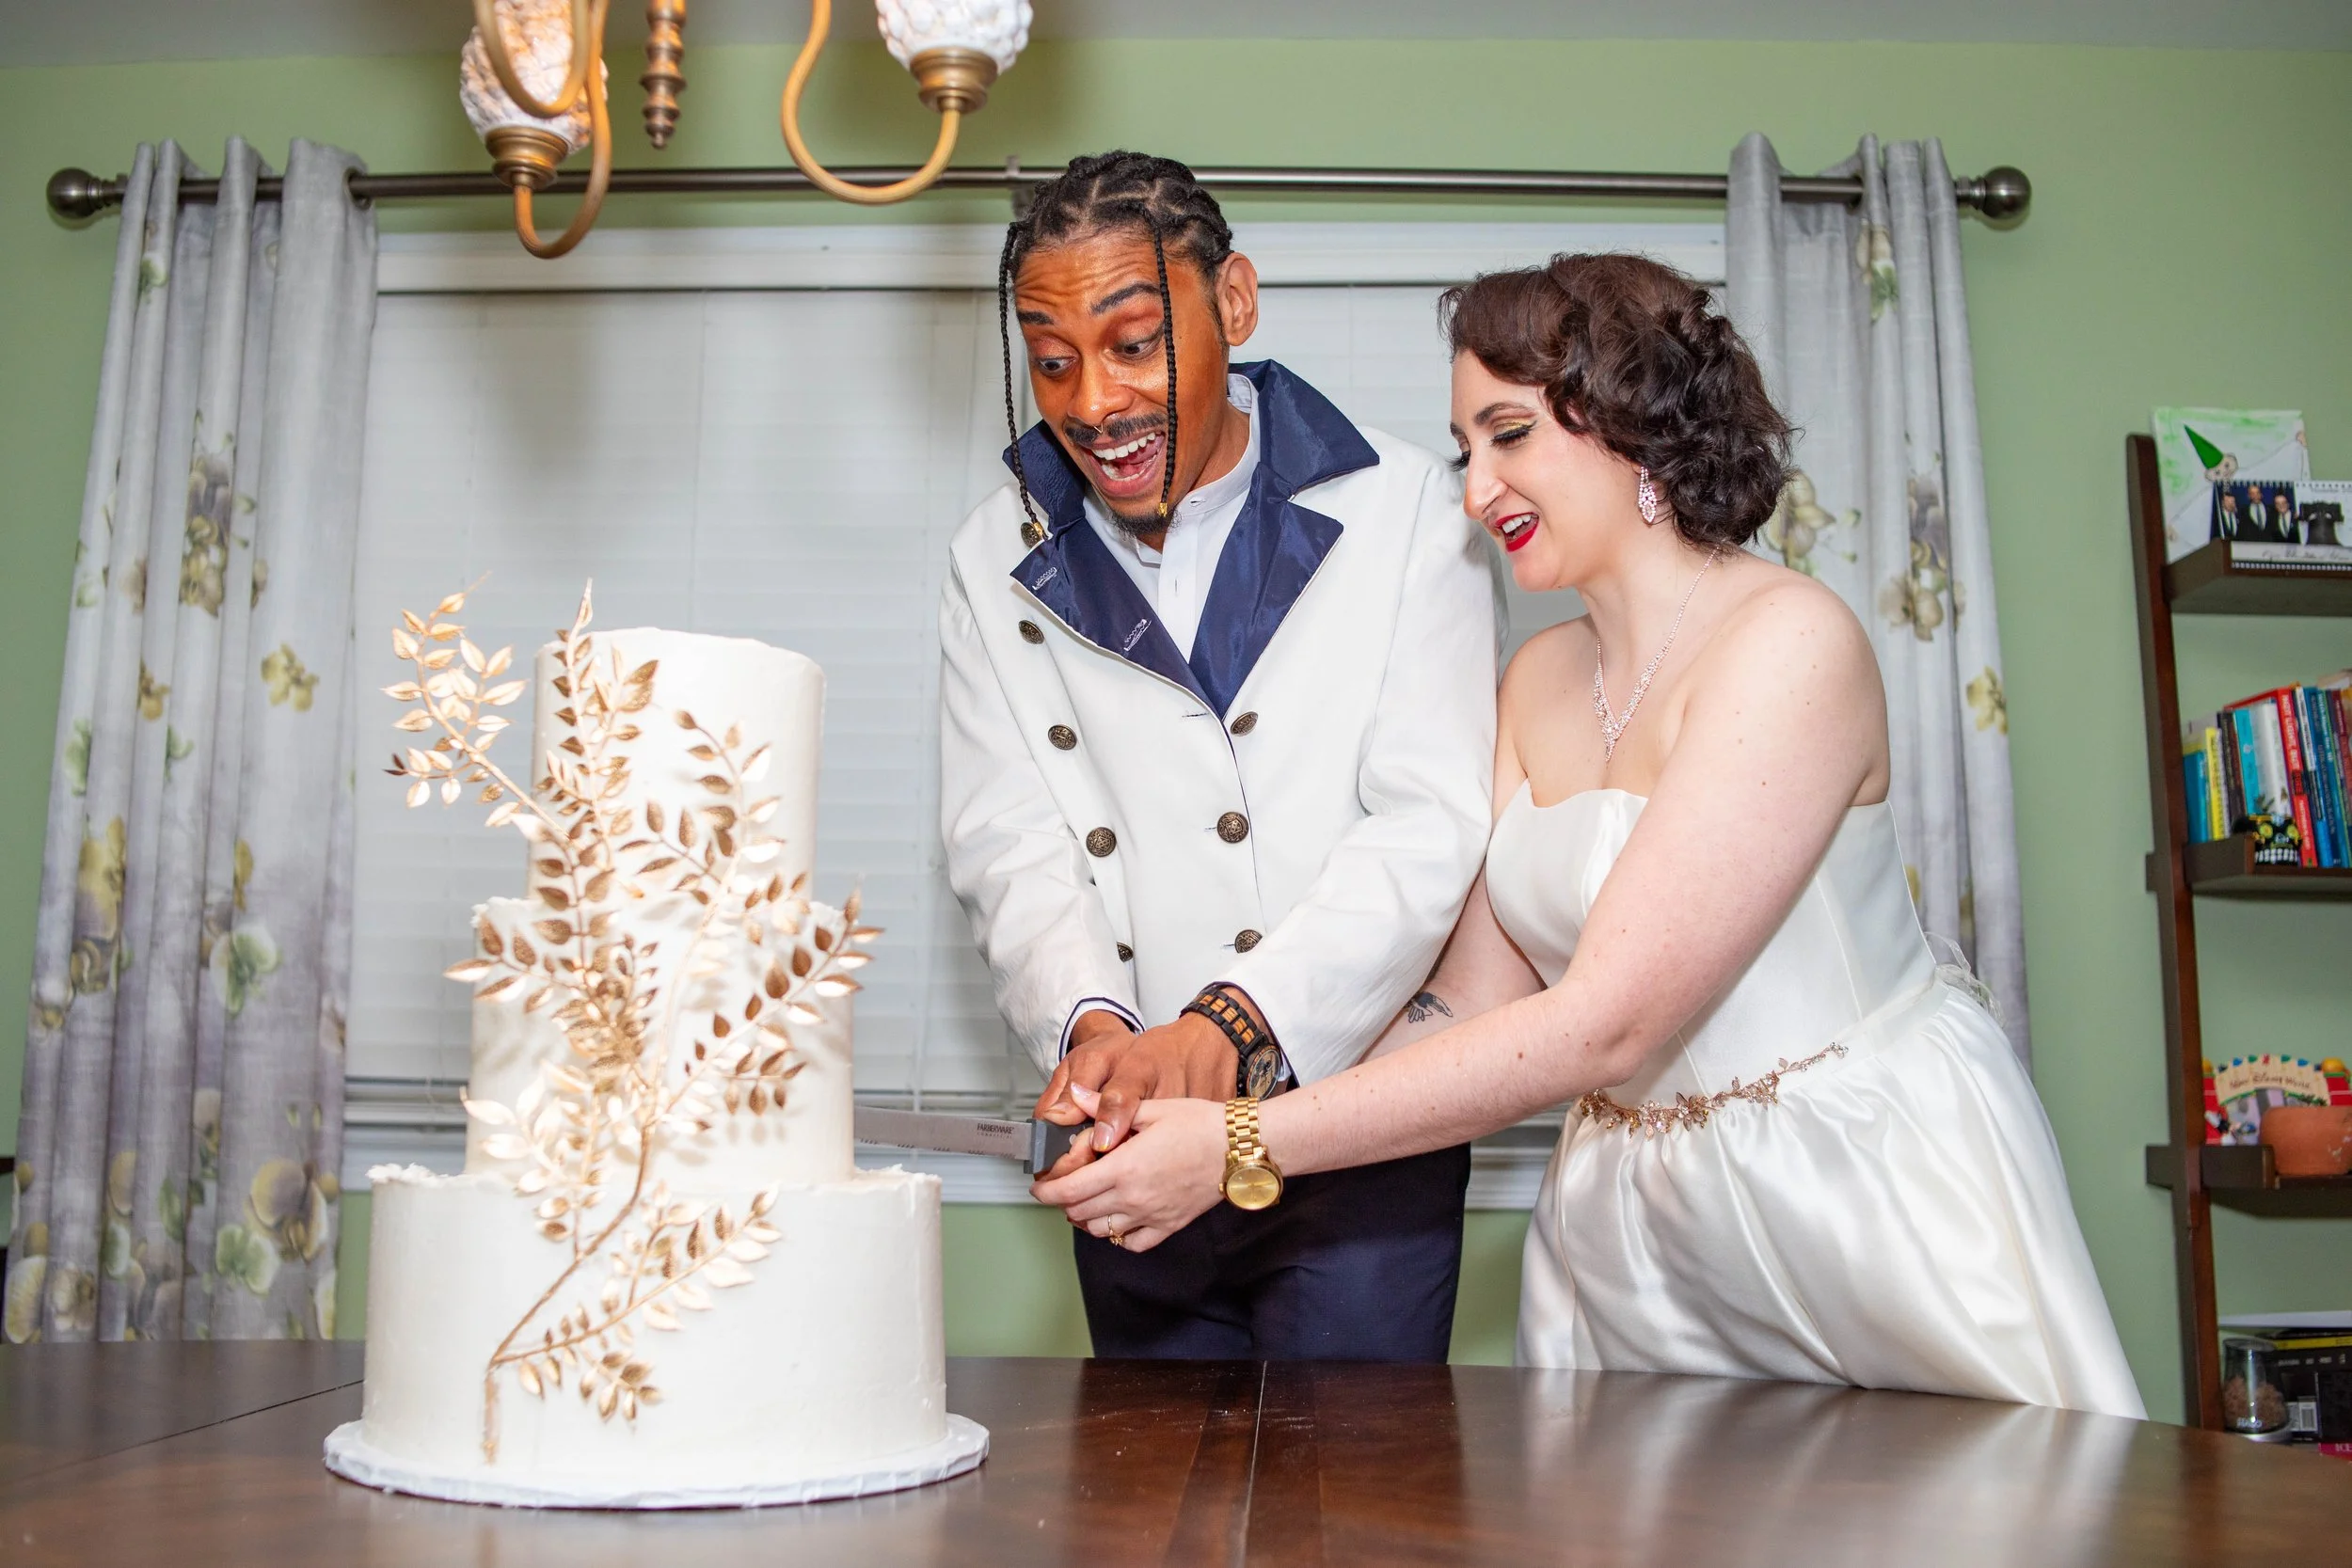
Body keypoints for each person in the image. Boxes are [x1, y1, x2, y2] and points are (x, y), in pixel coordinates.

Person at [1037, 253, 2144, 1418]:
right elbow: (1463, 1009)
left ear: (1631, 419)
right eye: (1467, 448)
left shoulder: (1791, 644)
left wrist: (1241, 1143)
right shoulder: (1536, 678)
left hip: (1855, 1185)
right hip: (1635, 1227)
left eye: (1509, 434)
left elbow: (1604, 1022)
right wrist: (1200, 1065)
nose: (1475, 490)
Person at [939, 151, 1502, 1360]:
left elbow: (1426, 828)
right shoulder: (989, 555)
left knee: (1353, 1520)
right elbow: (1009, 835)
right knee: (1141, 1517)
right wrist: (1091, 1029)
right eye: (1052, 359)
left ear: (1232, 304)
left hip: (1360, 1137)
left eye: (1134, 341)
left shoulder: (1409, 509)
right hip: (1129, 1131)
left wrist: (1232, 1027)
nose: (1093, 401)